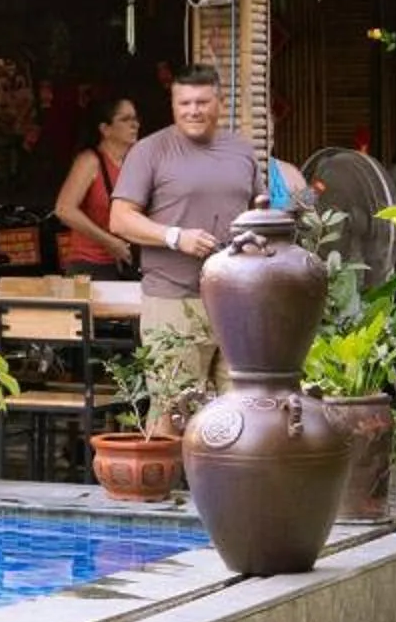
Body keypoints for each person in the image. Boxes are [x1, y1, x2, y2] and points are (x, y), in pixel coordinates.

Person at [109, 65, 308, 385]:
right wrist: (175, 237)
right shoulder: (149, 151)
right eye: (184, 103)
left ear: (220, 103)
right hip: (174, 301)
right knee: (174, 409)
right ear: (172, 105)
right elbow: (119, 219)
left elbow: (258, 211)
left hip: (236, 298)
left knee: (240, 408)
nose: (193, 111)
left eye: (202, 102)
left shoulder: (242, 151)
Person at [56, 97, 143, 271]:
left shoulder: (137, 161)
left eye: (135, 119)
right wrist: (109, 242)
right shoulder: (89, 161)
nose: (135, 125)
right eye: (125, 119)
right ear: (105, 129)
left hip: (131, 261)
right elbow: (64, 210)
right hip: (92, 262)